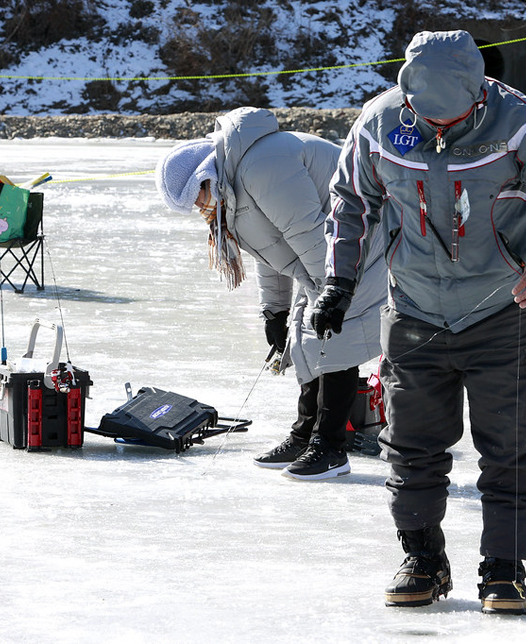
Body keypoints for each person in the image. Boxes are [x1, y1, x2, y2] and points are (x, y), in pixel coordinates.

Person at [311, 30, 526, 613]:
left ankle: (504, 571)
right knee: (411, 446)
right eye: (425, 114)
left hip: (501, 312)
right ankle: (423, 559)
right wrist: (337, 282)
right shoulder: (378, 123)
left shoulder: (520, 120)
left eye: (453, 117)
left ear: (478, 93)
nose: (438, 128)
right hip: (413, 312)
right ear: (406, 92)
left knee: (510, 448)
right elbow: (351, 202)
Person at [155, 106, 386, 481]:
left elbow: (309, 234)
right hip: (327, 251)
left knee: (331, 338)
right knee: (302, 332)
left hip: (362, 240)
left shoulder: (262, 165)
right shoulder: (233, 188)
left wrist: (332, 292)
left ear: (205, 175)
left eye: (196, 197)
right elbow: (273, 250)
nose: (200, 209)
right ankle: (305, 434)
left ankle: (329, 446)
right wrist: (275, 311)